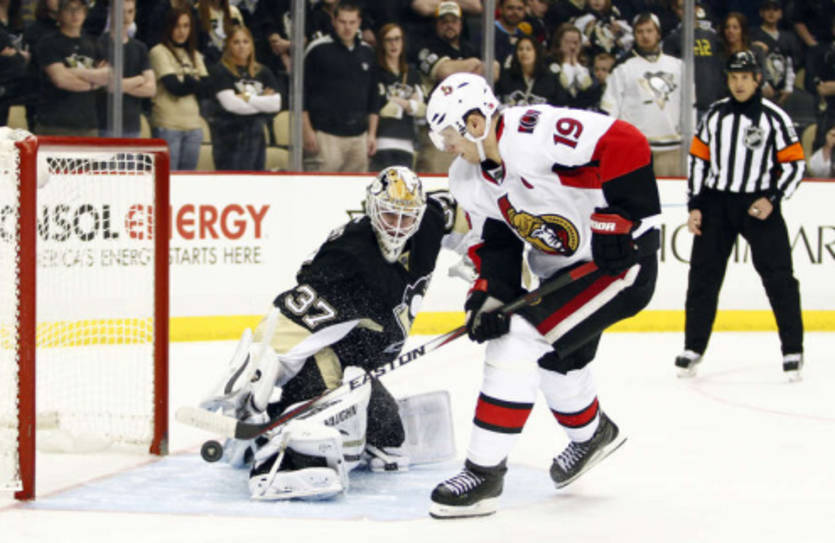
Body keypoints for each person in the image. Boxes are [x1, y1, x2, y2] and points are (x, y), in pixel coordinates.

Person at [424, 72, 661, 518]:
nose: (447, 146)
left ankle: (483, 473)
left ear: (475, 122)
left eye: (449, 136)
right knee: (558, 359)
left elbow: (625, 141)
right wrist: (490, 294)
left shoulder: (536, 131)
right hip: (560, 273)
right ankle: (591, 435)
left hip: (618, 264)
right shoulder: (466, 176)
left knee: (519, 339)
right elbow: (496, 241)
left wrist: (622, 217)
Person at [200, 166, 466, 500]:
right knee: (340, 438)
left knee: (390, 439)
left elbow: (465, 211)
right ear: (372, 207)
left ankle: (287, 424)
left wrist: (485, 265)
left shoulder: (429, 220)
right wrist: (253, 383)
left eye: (407, 217)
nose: (398, 227)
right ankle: (279, 451)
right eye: (389, 215)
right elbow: (289, 323)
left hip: (359, 364)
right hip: (326, 359)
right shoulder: (348, 255)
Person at [677, 50, 805, 381]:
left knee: (779, 277)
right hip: (716, 203)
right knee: (703, 277)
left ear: (757, 79)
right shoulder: (714, 115)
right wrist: (695, 204)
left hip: (757, 204)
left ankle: (793, 350)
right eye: (734, 77)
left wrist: (773, 198)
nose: (739, 84)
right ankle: (693, 347)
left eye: (745, 77)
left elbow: (795, 164)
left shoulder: (774, 118)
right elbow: (698, 161)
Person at [600, 12, 690, 177]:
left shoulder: (678, 66)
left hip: (673, 147)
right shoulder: (623, 68)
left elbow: (690, 106)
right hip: (635, 149)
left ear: (658, 33)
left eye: (649, 31)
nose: (645, 36)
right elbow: (610, 110)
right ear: (634, 35)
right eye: (640, 32)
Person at [302, 1, 378, 173]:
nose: (347, 27)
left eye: (352, 22)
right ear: (334, 21)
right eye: (343, 22)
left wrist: (372, 134)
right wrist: (307, 131)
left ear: (359, 23)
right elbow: (302, 94)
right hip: (325, 136)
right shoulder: (317, 49)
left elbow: (373, 97)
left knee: (356, 189)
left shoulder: (367, 52)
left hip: (359, 137)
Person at [206, 25, 281, 171]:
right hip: (229, 138)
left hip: (257, 136)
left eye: (246, 42)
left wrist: (246, 97)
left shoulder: (263, 71)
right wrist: (262, 100)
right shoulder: (220, 71)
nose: (241, 46)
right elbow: (232, 105)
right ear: (228, 45)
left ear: (252, 45)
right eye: (236, 42)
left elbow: (275, 104)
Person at [35, 0, 109, 136]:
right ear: (60, 13)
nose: (75, 14)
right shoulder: (49, 43)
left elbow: (107, 76)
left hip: (88, 125)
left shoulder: (93, 43)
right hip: (55, 125)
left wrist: (75, 72)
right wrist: (94, 82)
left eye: (79, 9)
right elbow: (61, 80)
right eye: (69, 9)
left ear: (85, 13)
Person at [149, 8, 207, 170]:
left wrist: (187, 82)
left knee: (187, 181)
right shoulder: (159, 52)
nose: (182, 31)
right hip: (168, 125)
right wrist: (193, 82)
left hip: (194, 126)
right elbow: (174, 87)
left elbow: (207, 88)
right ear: (169, 27)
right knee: (167, 178)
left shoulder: (194, 54)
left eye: (186, 26)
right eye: (177, 26)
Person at [95, 0, 155, 138]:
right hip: (106, 125)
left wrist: (120, 85)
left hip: (132, 126)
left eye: (130, 12)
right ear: (112, 12)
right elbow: (110, 86)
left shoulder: (140, 48)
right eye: (121, 12)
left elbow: (151, 89)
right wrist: (139, 79)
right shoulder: (99, 44)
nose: (126, 17)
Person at [371, 22, 425, 172]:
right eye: (388, 40)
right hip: (381, 142)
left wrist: (401, 103)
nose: (393, 44)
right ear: (382, 43)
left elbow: (423, 109)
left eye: (397, 39)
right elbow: (380, 107)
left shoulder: (412, 74)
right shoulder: (376, 72)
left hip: (407, 143)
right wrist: (409, 103)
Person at [750, 0, 802, 106]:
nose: (771, 13)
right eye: (767, 9)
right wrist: (762, 83)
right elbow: (750, 63)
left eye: (775, 9)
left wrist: (788, 87)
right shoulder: (753, 35)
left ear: (781, 14)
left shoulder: (789, 38)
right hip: (759, 91)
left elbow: (791, 64)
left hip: (783, 92)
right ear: (761, 13)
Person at [495, 34, 566, 107]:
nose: (524, 52)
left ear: (536, 53)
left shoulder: (550, 79)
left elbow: (562, 103)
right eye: (520, 49)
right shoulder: (506, 77)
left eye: (528, 49)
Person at [546, 23, 596, 109]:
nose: (572, 47)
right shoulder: (548, 63)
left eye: (576, 43)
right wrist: (566, 62)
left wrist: (576, 64)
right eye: (567, 42)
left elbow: (588, 88)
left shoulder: (586, 66)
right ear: (559, 43)